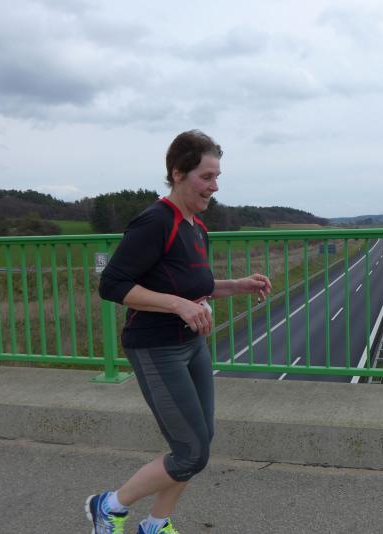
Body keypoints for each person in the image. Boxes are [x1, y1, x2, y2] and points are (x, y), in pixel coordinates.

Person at [87, 130, 272, 534]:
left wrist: (238, 285)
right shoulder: (156, 221)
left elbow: (194, 287)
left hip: (191, 344)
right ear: (177, 173)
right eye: (206, 177)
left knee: (199, 442)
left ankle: (155, 524)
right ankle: (109, 506)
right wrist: (177, 305)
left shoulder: (196, 227)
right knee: (190, 452)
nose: (214, 186)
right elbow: (112, 285)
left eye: (217, 177)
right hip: (156, 347)